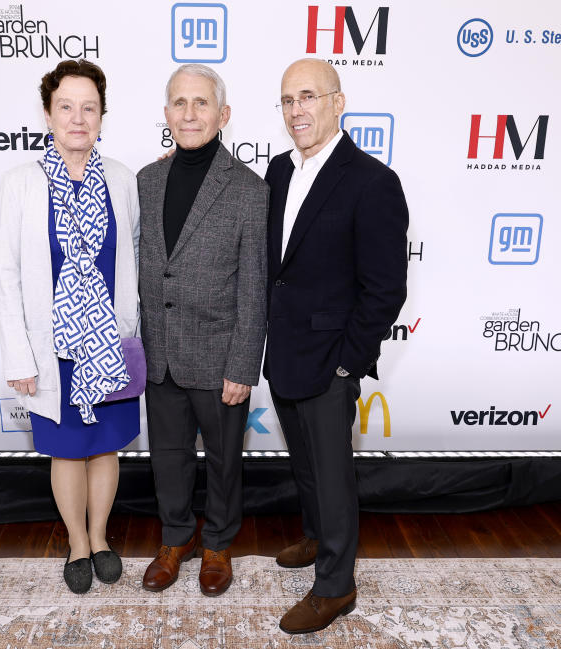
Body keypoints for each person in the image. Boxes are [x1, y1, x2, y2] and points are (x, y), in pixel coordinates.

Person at [264, 58, 408, 633]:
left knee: (332, 469)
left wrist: (349, 360)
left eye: (308, 97)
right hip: (284, 350)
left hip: (332, 359)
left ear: (337, 102)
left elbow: (385, 289)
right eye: (287, 100)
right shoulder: (277, 171)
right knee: (305, 465)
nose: (297, 110)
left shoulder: (372, 182)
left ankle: (335, 585)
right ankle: (318, 536)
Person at [0, 59, 141, 594]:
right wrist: (19, 356)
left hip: (109, 343)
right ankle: (77, 543)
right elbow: (7, 274)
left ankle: (101, 538)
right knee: (67, 451)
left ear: (102, 115)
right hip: (51, 346)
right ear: (48, 113)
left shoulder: (123, 180)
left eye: (89, 108)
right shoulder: (20, 183)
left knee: (106, 447)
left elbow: (137, 256)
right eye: (66, 107)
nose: (78, 119)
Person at [137, 64, 268, 596]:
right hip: (160, 352)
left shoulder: (250, 190)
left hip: (218, 358)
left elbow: (255, 286)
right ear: (166, 113)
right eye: (179, 103)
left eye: (201, 103)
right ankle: (176, 537)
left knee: (223, 460)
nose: (189, 114)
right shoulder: (147, 180)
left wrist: (242, 365)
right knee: (167, 456)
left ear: (223, 114)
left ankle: (217, 541)